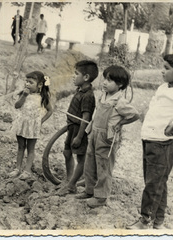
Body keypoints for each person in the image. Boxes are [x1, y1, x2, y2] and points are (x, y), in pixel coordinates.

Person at [76, 65, 139, 208]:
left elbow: (135, 114)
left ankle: (101, 197)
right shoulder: (103, 95)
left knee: (104, 166)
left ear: (120, 85)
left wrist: (120, 123)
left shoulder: (120, 101)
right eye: (104, 79)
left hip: (107, 137)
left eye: (109, 81)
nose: (104, 82)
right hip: (94, 133)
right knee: (90, 162)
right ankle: (89, 190)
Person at [126, 54, 173, 230]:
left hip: (163, 142)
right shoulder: (163, 87)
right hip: (150, 138)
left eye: (167, 68)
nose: (162, 70)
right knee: (156, 180)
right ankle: (158, 220)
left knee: (154, 182)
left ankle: (145, 219)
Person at [57, 60, 98, 196]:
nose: (73, 76)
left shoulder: (88, 96)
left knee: (81, 158)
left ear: (86, 77)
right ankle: (69, 180)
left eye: (76, 74)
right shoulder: (80, 90)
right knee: (67, 153)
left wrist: (80, 136)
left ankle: (71, 185)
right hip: (72, 127)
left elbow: (85, 118)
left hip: (79, 130)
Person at [9, 71, 53, 180]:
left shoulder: (42, 97)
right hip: (22, 123)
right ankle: (17, 169)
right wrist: (24, 96)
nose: (27, 84)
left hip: (33, 126)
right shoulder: (23, 94)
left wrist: (41, 121)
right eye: (26, 81)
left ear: (39, 85)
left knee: (30, 149)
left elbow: (50, 110)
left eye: (31, 82)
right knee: (20, 147)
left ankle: (27, 171)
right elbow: (17, 106)